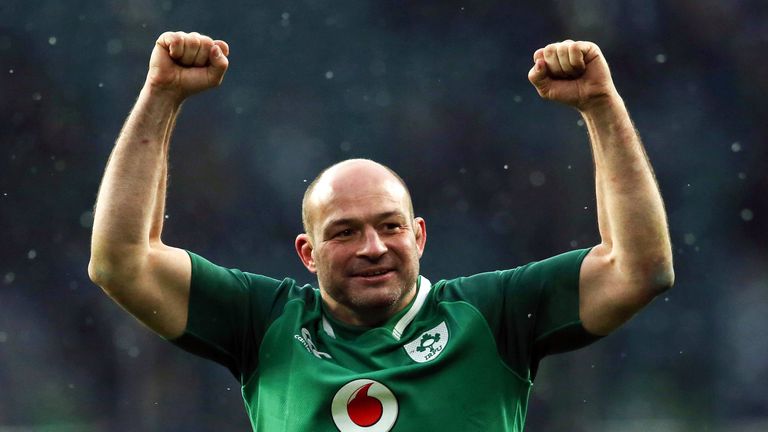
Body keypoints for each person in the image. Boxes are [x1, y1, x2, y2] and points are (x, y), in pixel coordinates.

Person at [89, 31, 674, 431]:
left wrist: (601, 105)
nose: (373, 247)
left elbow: (639, 269)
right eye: (343, 232)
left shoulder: (492, 314)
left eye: (390, 226)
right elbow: (121, 261)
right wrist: (161, 96)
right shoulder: (262, 322)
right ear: (307, 253)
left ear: (419, 235)